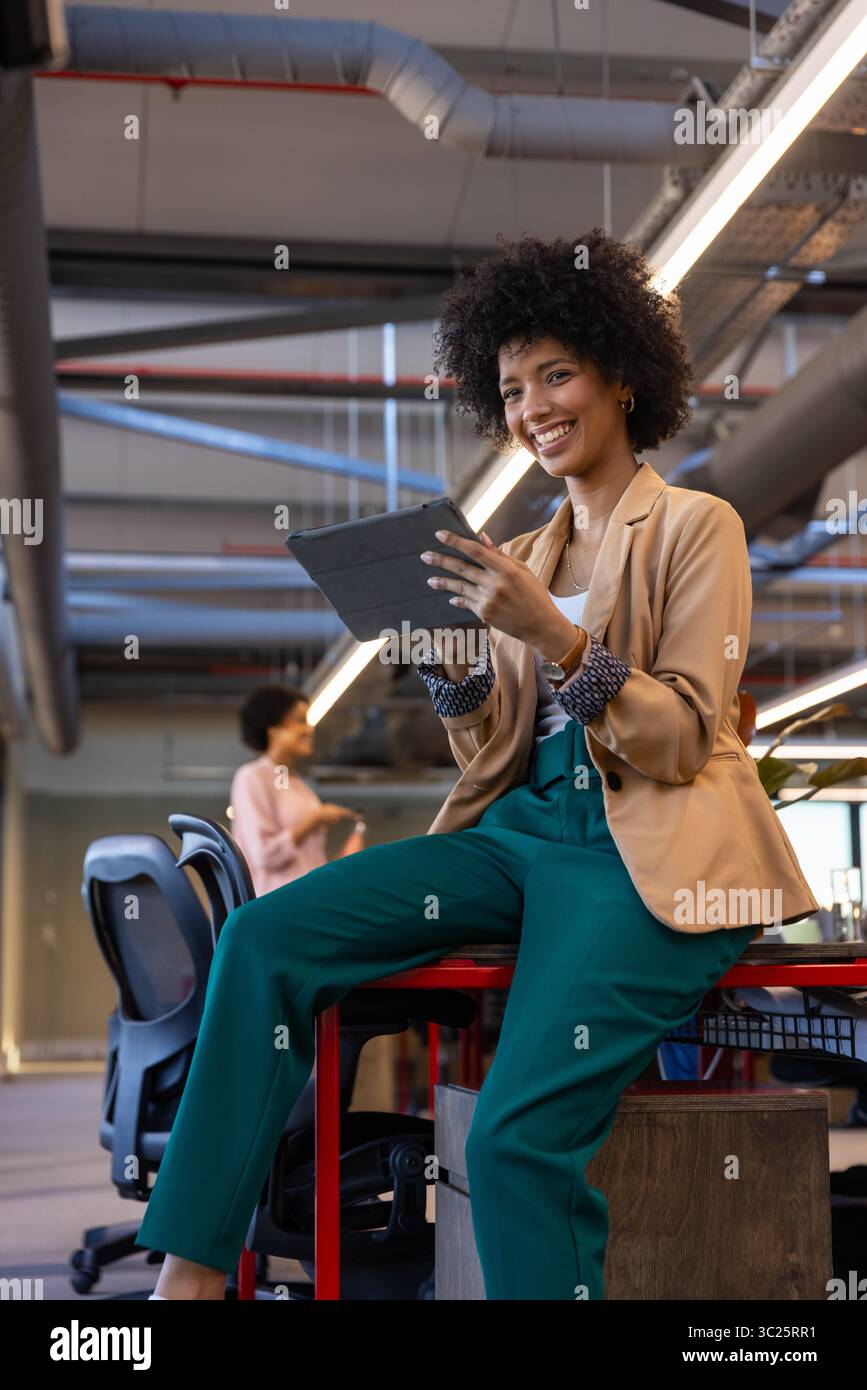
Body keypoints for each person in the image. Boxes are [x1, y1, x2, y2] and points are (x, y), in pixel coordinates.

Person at [136, 228, 819, 1300]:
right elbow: (498, 745)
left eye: (557, 373)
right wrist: (448, 667)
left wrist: (550, 634)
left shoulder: (699, 525)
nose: (532, 405)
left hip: (641, 845)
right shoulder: (526, 554)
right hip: (520, 832)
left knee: (510, 1139)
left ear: (622, 377)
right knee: (266, 934)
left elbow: (684, 736)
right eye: (510, 388)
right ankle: (188, 1271)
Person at [229, 685, 366, 897]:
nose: (310, 729)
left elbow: (305, 862)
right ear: (272, 729)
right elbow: (264, 855)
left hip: (308, 899)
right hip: (277, 904)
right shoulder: (252, 776)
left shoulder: (298, 785)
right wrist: (316, 818)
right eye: (300, 721)